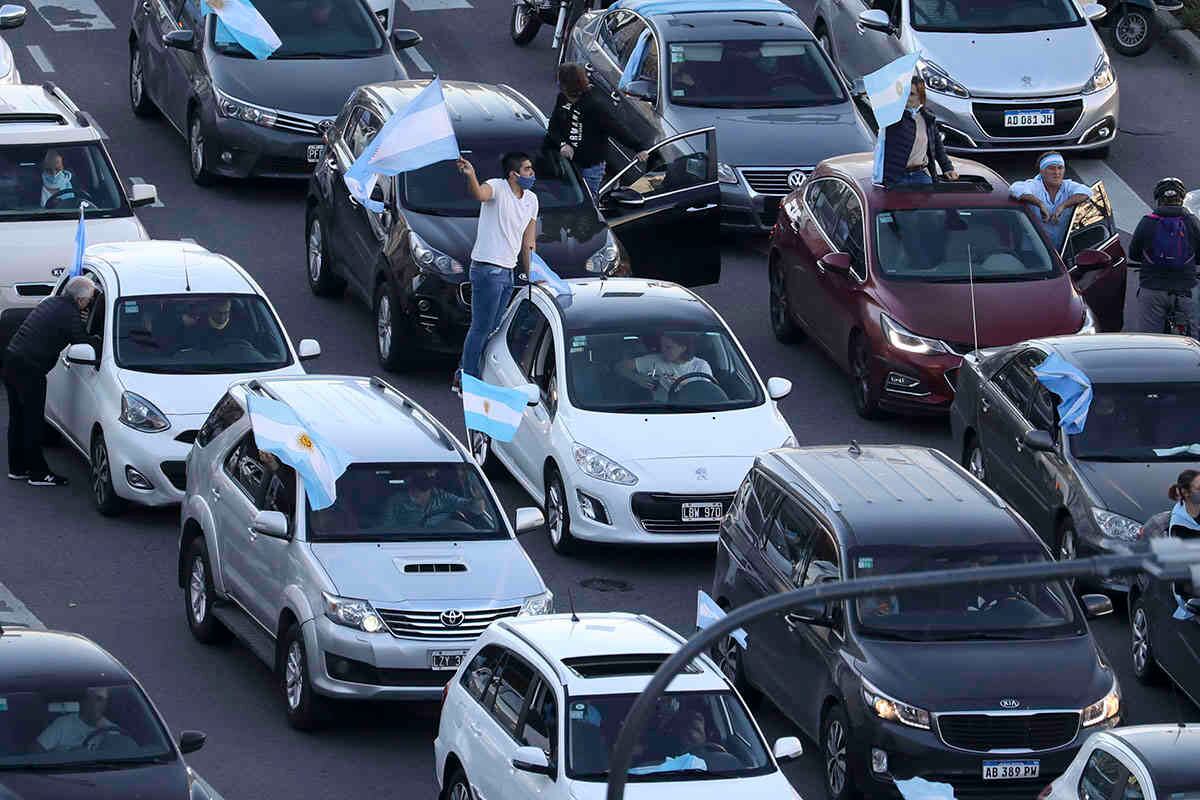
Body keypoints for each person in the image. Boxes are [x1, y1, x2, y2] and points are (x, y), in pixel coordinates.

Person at [453, 152, 539, 392]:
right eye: (527, 169)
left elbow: (528, 242)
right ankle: (467, 378)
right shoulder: (497, 187)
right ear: (513, 174)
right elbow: (480, 194)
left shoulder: (532, 200)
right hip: (487, 269)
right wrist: (471, 175)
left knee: (492, 328)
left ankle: (468, 372)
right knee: (481, 327)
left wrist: (532, 275)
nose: (532, 174)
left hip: (508, 272)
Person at [3, 275, 96, 486]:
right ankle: (38, 473)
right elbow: (82, 341)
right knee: (33, 421)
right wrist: (96, 340)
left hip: (12, 361)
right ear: (80, 300)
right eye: (90, 299)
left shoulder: (52, 303)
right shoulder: (70, 314)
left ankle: (17, 468)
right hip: (30, 370)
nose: (90, 302)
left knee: (18, 419)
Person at [545, 63, 649, 198]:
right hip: (568, 164)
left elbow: (617, 128)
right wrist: (563, 144)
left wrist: (639, 147)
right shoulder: (562, 99)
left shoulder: (595, 105)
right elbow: (553, 127)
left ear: (567, 85)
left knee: (588, 200)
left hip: (590, 167)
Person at [1128, 177, 1200, 335]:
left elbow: (1133, 253)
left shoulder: (1147, 222)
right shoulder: (1192, 221)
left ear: (1158, 200)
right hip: (1186, 288)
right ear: (1181, 200)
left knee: (1151, 341)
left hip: (1153, 288)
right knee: (1196, 339)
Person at [874, 76, 958, 188]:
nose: (907, 97)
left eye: (911, 94)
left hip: (921, 175)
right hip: (897, 178)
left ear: (920, 96)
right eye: (905, 93)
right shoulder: (894, 116)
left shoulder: (927, 117)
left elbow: (937, 146)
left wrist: (947, 168)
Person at [1010, 152, 1091, 252]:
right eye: (1051, 168)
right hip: (1034, 251)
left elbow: (1086, 192)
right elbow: (1015, 188)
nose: (1057, 173)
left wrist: (1063, 206)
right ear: (1042, 171)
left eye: (1060, 168)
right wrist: (1039, 203)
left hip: (1064, 250)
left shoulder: (1068, 186)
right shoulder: (1035, 185)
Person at [617, 332, 712, 402]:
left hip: (692, 410)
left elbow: (706, 394)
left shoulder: (701, 366)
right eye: (662, 346)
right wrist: (637, 378)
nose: (663, 350)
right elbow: (619, 367)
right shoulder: (654, 360)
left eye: (668, 347)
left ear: (683, 348)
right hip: (657, 409)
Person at [384, 470, 483, 528]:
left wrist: (477, 497)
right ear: (412, 476)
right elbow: (386, 529)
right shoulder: (396, 501)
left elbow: (475, 509)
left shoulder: (443, 497)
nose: (430, 475)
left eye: (433, 472)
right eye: (425, 472)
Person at [36, 687, 114, 752]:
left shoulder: (112, 730)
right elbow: (36, 750)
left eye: (99, 699)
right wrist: (69, 754)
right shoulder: (63, 724)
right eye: (89, 698)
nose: (93, 703)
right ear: (81, 701)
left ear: (106, 703)